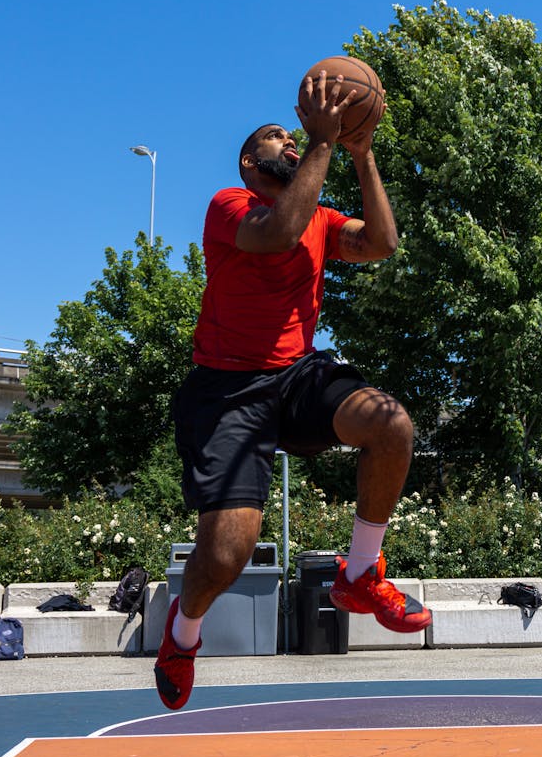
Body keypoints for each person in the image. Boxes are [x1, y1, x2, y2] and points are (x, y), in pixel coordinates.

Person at [154, 69, 431, 710]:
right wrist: (324, 142)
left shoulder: (321, 218)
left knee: (390, 422)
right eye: (277, 138)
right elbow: (278, 232)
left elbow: (384, 242)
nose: (288, 140)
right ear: (251, 163)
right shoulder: (230, 206)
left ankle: (360, 573)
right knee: (227, 553)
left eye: (292, 136)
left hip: (295, 375)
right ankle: (184, 631)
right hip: (227, 391)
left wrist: (360, 154)